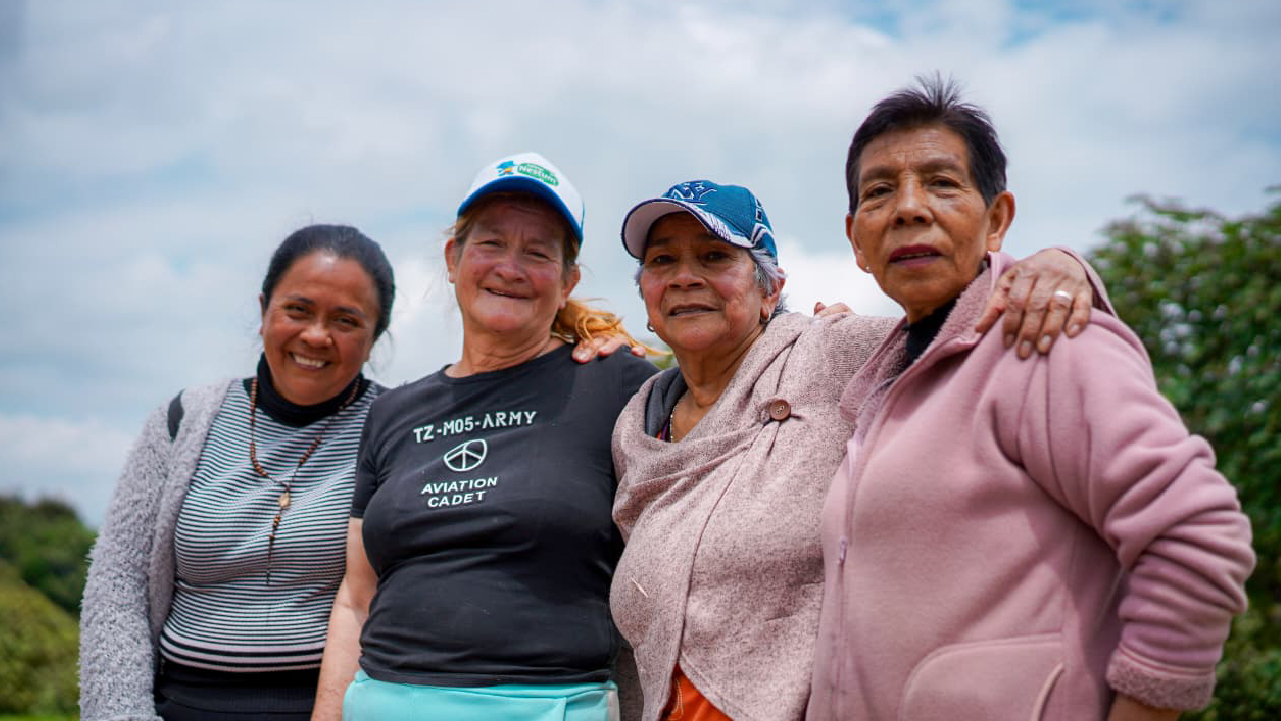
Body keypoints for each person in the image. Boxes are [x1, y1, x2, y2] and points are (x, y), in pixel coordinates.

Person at [807, 78, 1255, 720]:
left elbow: (1197, 534)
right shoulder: (882, 378)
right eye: (880, 191)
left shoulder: (1044, 340)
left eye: (941, 182)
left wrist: (1146, 707)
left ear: (997, 220)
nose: (909, 207)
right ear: (856, 239)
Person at [80, 222, 629, 721]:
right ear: (264, 308)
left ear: (375, 338)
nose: (318, 336)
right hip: (182, 706)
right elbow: (118, 582)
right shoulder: (187, 420)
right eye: (298, 309)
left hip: (335, 701)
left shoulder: (401, 424)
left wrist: (597, 343)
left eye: (347, 321)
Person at [609, 176, 1106, 720]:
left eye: (713, 256)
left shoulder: (830, 353)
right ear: (645, 295)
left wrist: (1058, 266)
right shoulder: (638, 425)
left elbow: (974, 330)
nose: (684, 278)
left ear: (769, 289)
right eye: (661, 261)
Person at [312, 152, 658, 721]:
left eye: (538, 252)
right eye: (491, 243)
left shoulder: (619, 384)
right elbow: (355, 599)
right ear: (454, 258)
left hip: (547, 705)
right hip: (382, 702)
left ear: (569, 280)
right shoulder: (394, 412)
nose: (510, 267)